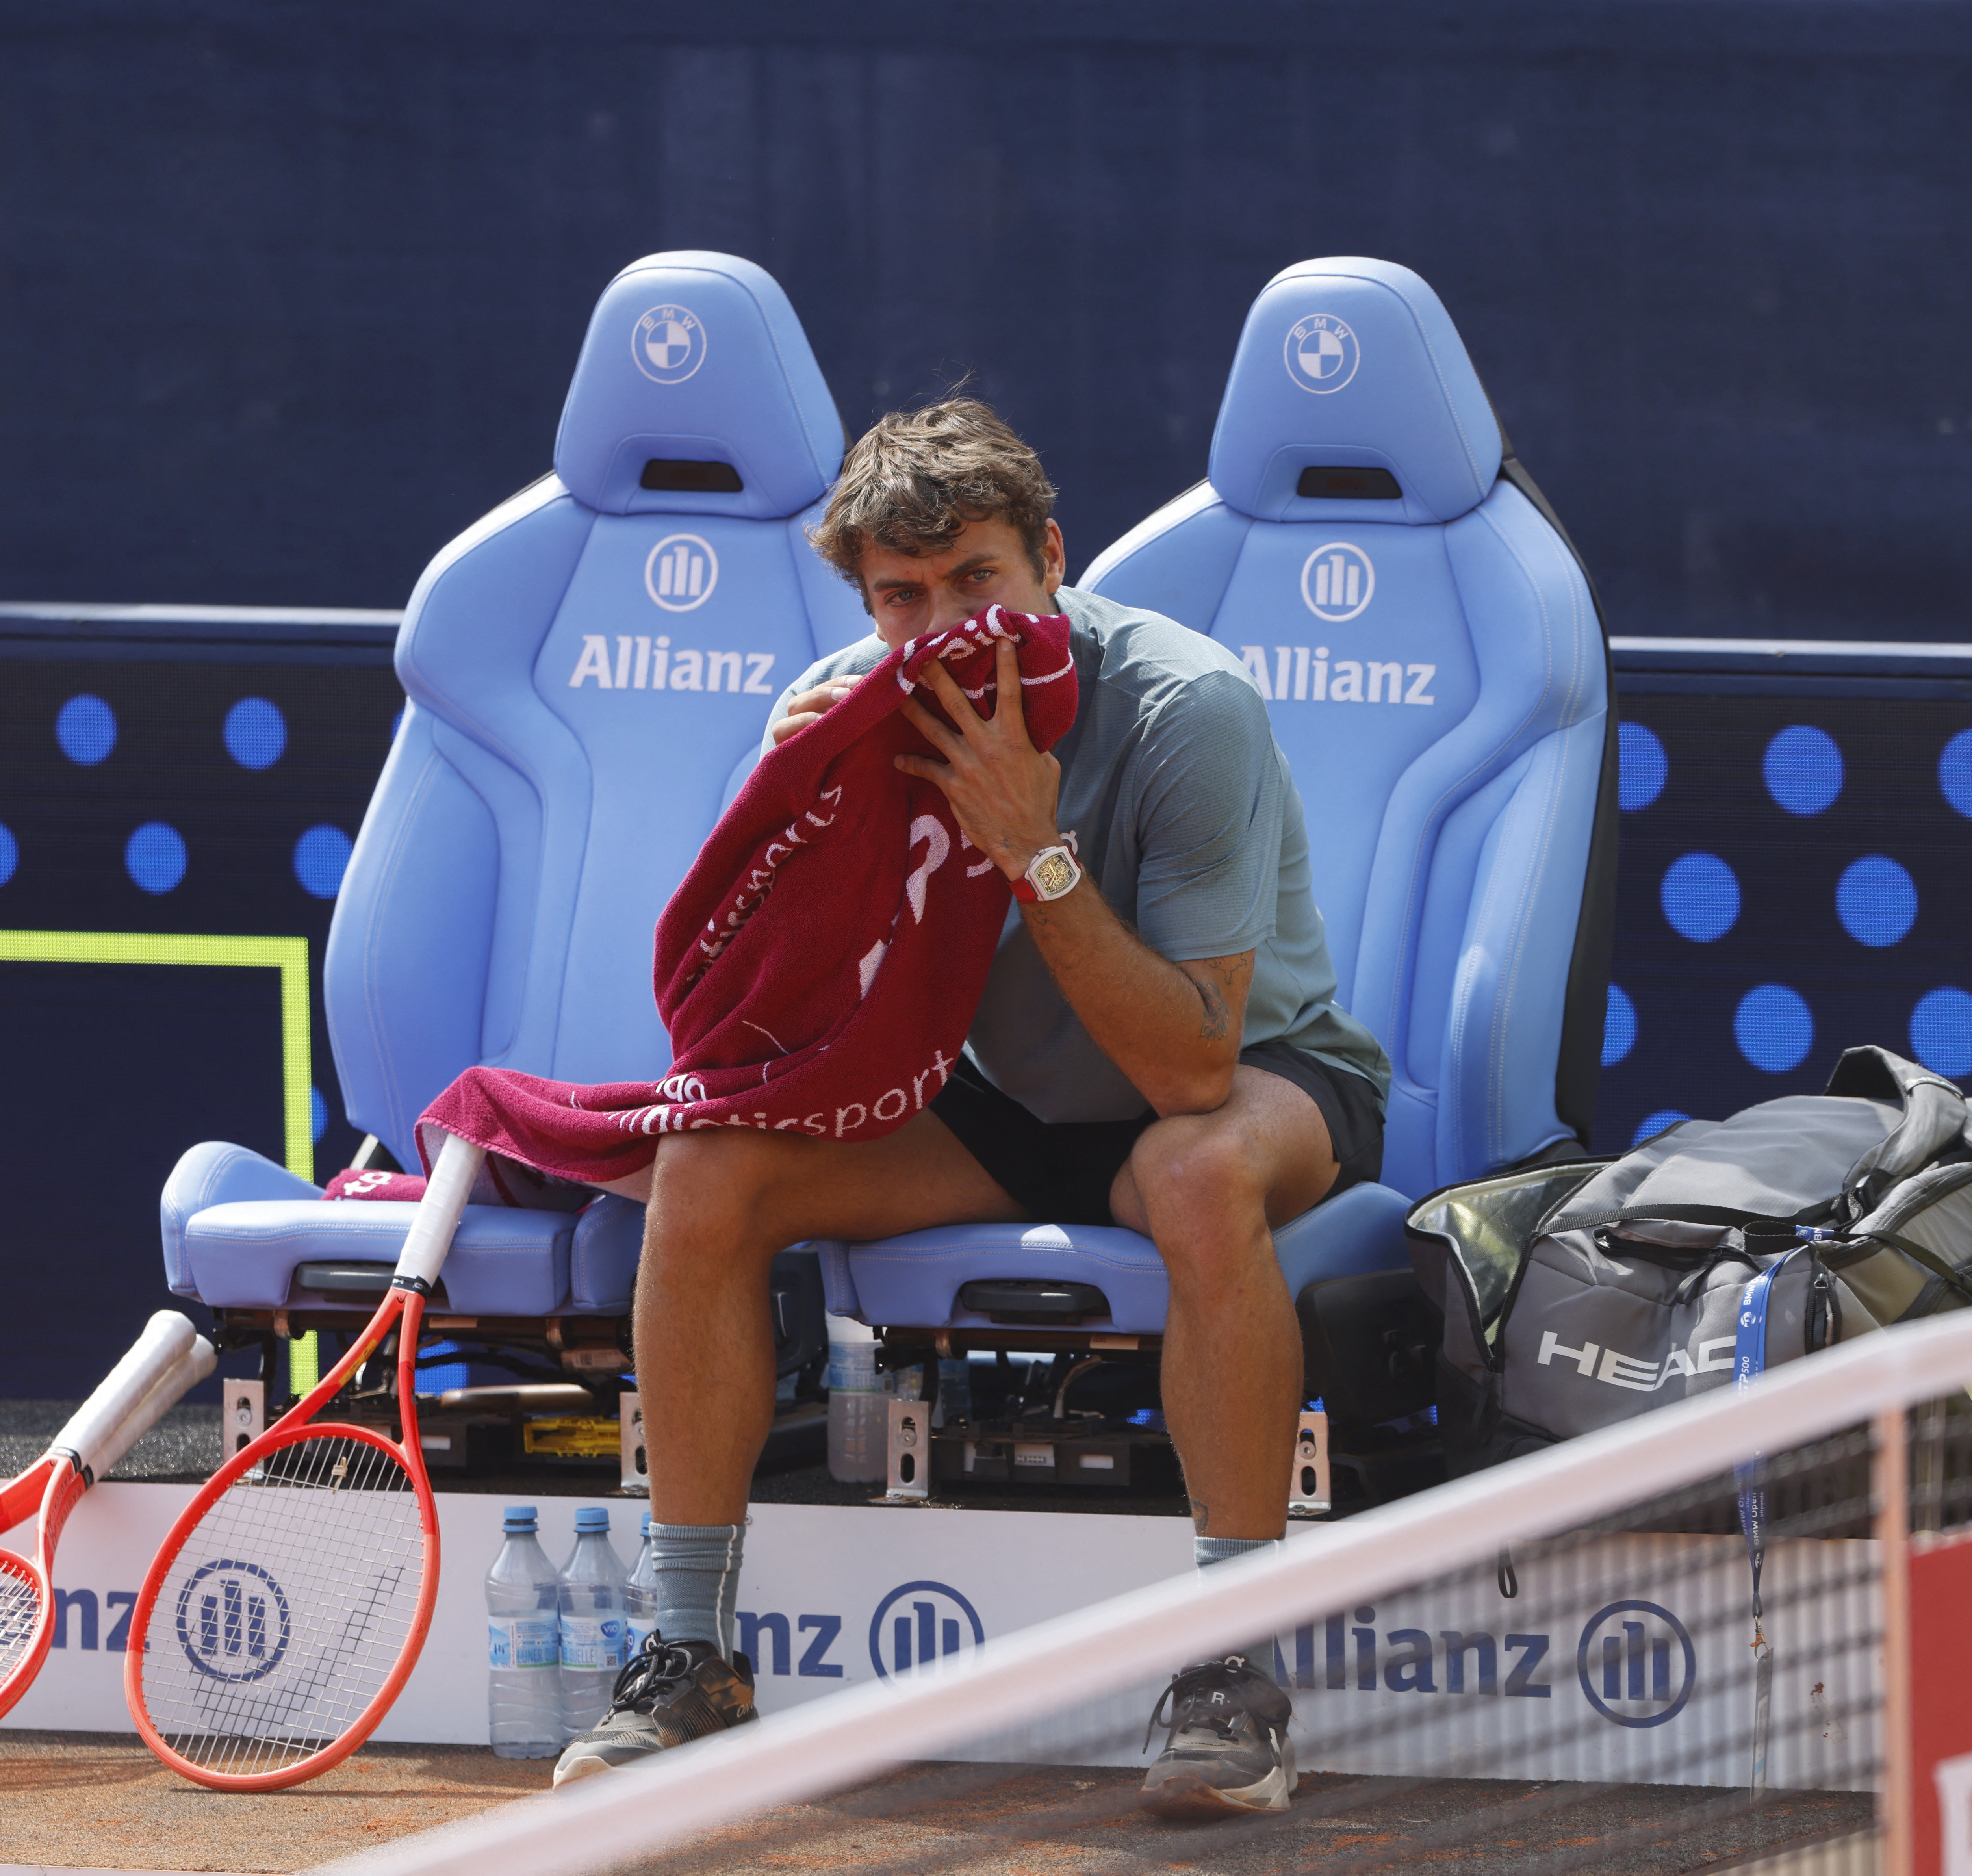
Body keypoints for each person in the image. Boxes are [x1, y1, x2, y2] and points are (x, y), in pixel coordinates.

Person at [557, 400, 1391, 1816]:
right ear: (864, 599)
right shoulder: (840, 700)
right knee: (706, 1166)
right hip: (995, 1104)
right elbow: (749, 1030)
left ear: (1050, 559)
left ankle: (1227, 1674)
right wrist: (804, 807)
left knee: (1191, 1172)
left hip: (1249, 1080)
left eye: (976, 582)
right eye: (901, 597)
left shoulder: (1190, 707)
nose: (940, 624)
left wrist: (1028, 845)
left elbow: (1191, 1066)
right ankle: (690, 1650)